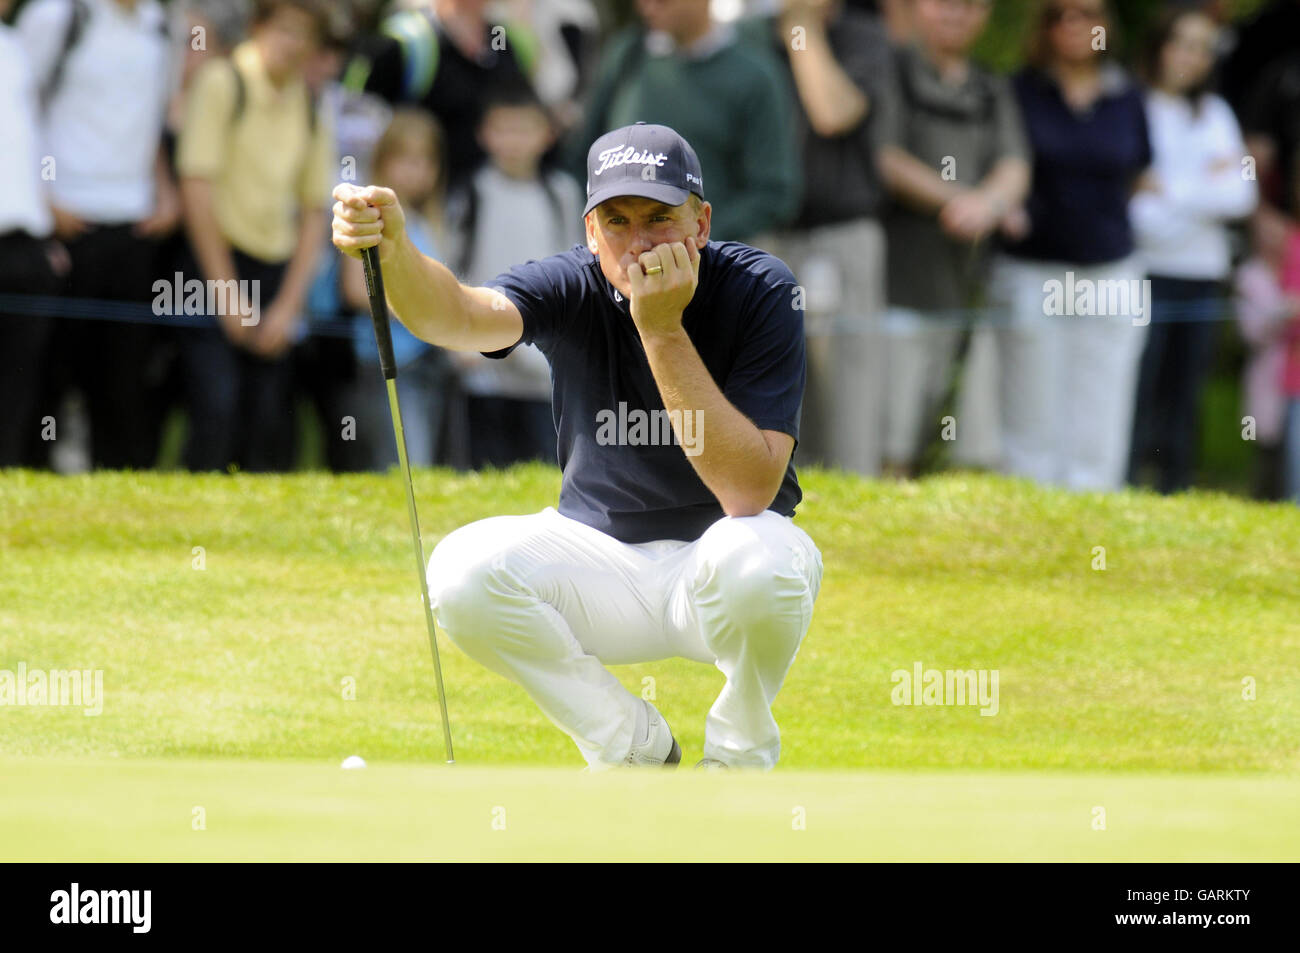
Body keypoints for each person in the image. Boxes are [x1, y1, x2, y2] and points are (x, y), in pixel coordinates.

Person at [331, 122, 823, 770]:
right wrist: (396, 251)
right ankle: (632, 745)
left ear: (701, 223)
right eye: (616, 220)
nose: (639, 240)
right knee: (461, 571)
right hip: (600, 567)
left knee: (763, 559)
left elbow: (748, 489)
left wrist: (661, 330)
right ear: (591, 232)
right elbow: (455, 316)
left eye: (659, 217)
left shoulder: (760, 288)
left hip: (720, 567)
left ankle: (737, 757)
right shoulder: (572, 282)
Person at [990, 0, 1152, 491]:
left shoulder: (1127, 96)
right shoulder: (1019, 91)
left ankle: (1093, 510)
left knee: (1103, 405)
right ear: (1045, 25)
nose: (1075, 25)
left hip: (1110, 268)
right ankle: (1032, 509)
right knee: (1032, 407)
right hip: (1033, 267)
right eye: (1062, 14)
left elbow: (1139, 172)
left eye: (1088, 13)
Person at [16, 0, 181, 470]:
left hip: (134, 225)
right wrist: (44, 199)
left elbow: (147, 122)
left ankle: (120, 491)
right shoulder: (56, 16)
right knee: (49, 374)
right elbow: (18, 107)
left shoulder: (165, 24)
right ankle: (34, 481)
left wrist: (165, 192)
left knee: (123, 381)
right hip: (66, 222)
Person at [176, 0, 334, 472]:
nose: (294, 44)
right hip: (212, 265)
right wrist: (226, 293)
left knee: (267, 421)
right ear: (257, 28)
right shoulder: (223, 82)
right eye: (284, 30)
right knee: (214, 410)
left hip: (275, 273)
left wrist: (288, 307)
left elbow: (312, 212)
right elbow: (196, 186)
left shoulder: (310, 103)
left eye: (304, 35)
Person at [875, 0, 1030, 478]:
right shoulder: (892, 70)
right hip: (898, 286)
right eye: (944, 4)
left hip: (970, 291)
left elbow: (1015, 163)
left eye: (969, 7)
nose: (956, 15)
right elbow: (885, 158)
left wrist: (992, 204)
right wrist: (958, 202)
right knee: (893, 437)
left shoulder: (990, 85)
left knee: (971, 443)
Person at [748, 0, 895, 476]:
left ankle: (854, 489)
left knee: (847, 385)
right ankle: (777, 494)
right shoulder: (749, 37)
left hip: (842, 234)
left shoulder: (864, 35)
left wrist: (802, 29)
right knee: (770, 377)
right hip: (767, 238)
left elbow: (832, 111)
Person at [1127, 6, 1256, 494]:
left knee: (1185, 396)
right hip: (1145, 272)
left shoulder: (1215, 114)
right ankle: (1126, 486)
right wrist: (1206, 183)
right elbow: (1136, 218)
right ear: (1160, 45)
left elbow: (1242, 196)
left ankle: (1174, 491)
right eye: (1182, 43)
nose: (1191, 56)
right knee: (1139, 389)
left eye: (1203, 47)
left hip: (1202, 273)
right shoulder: (1130, 105)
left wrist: (1167, 190)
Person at [570, 0, 800, 243]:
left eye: (663, 2)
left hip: (708, 262)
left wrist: (692, 234)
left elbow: (773, 191)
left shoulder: (754, 76)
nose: (648, 8)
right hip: (621, 259)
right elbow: (580, 158)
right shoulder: (626, 58)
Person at [445, 82, 582, 469]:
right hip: (483, 366)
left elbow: (576, 267)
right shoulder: (471, 192)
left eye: (524, 129)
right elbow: (451, 264)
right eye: (503, 129)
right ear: (484, 134)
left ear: (547, 135)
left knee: (546, 465)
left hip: (544, 367)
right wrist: (459, 343)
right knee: (485, 465)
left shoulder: (563, 194)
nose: (514, 141)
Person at [340, 108, 454, 470]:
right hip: (385, 362)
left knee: (423, 462)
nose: (415, 171)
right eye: (404, 159)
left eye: (425, 161)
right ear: (383, 161)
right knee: (403, 462)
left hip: (426, 363)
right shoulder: (365, 215)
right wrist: (423, 306)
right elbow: (357, 291)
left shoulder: (429, 221)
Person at [342, 0, 538, 190]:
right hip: (414, 205)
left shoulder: (507, 41)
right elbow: (353, 123)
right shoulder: (404, 41)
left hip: (484, 202)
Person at [0, 0, 67, 467]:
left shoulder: (15, 46)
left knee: (16, 391)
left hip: (24, 245)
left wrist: (45, 238)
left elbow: (28, 147)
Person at [1234, 212, 1300, 501]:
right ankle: (1265, 500)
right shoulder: (1251, 276)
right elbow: (1251, 333)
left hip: (1293, 373)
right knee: (1266, 441)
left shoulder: (1293, 268)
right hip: (1269, 375)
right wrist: (1282, 314)